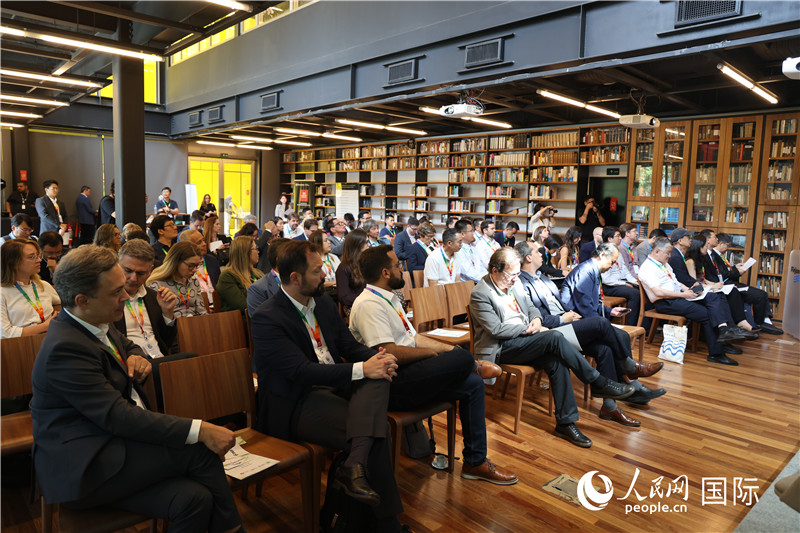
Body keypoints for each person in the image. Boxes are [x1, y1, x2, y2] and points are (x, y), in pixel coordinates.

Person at [30, 245, 244, 532]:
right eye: (116, 292)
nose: (126, 296)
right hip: (84, 467)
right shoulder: (65, 348)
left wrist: (136, 355)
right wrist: (201, 429)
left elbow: (126, 344)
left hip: (112, 443)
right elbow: (117, 416)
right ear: (82, 300)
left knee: (194, 499)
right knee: (199, 451)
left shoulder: (93, 320)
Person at [250, 241, 407, 532]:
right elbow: (301, 372)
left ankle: (354, 469)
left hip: (334, 388)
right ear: (295, 278)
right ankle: (388, 524)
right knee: (376, 432)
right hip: (297, 401)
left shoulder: (321, 302)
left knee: (377, 378)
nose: (325, 275)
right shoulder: (267, 317)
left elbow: (348, 345)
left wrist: (379, 358)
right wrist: (363, 369)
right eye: (317, 270)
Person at [350, 245, 518, 485]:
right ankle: (472, 364)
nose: (402, 269)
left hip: (411, 374)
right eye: (397, 266)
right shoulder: (369, 304)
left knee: (472, 383)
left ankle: (475, 462)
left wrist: (447, 351)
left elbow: (414, 338)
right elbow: (388, 352)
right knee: (462, 358)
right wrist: (432, 354)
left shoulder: (388, 298)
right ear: (385, 273)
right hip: (392, 384)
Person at [469, 248, 634, 448]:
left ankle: (565, 423)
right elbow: (496, 329)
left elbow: (531, 308)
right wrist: (529, 329)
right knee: (554, 337)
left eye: (517, 274)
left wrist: (537, 321)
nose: (515, 279)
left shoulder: (515, 283)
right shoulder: (480, 293)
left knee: (556, 361)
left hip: (526, 339)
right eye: (511, 275)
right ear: (495, 271)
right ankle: (597, 381)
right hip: (502, 347)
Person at [516, 241, 665, 421]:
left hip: (569, 322)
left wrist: (574, 315)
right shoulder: (520, 283)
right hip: (553, 331)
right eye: (537, 251)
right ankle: (630, 370)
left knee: (606, 349)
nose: (542, 253)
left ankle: (609, 407)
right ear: (528, 258)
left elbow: (565, 305)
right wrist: (564, 318)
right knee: (602, 324)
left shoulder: (543, 278)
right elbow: (536, 320)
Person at [638, 237, 747, 366]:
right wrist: (683, 294)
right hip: (666, 302)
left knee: (714, 296)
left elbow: (676, 282)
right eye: (668, 253)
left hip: (679, 296)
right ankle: (716, 353)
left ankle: (725, 330)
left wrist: (689, 290)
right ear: (657, 251)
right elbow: (659, 292)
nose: (669, 256)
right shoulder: (647, 268)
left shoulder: (664, 264)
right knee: (708, 314)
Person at [703, 231, 782, 335]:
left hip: (729, 283)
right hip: (726, 284)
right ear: (720, 244)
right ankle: (761, 323)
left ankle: (764, 321)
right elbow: (722, 274)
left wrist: (735, 268)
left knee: (761, 294)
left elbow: (724, 272)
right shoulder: (711, 255)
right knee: (760, 295)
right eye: (727, 245)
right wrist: (737, 271)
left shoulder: (718, 256)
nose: (728, 248)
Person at [113, 239, 178, 358]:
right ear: (117, 264)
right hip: (130, 361)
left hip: (158, 358)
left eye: (140, 273)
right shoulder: (107, 299)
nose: (133, 278)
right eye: (128, 270)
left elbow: (166, 343)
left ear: (150, 271)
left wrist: (167, 314)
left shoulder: (154, 297)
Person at [560, 242, 634, 322]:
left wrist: (610, 311)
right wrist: (601, 323)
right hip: (574, 319)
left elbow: (593, 304)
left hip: (583, 316)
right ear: (602, 255)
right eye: (612, 262)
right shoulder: (585, 272)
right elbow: (585, 306)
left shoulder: (593, 270)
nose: (612, 266)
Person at [1, 239, 60, 338]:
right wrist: (45, 326)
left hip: (50, 339)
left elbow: (65, 303)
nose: (39, 260)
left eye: (38, 255)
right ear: (13, 263)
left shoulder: (43, 285)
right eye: (31, 257)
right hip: (19, 345)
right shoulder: (2, 292)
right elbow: (5, 333)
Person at [147, 241, 209, 318]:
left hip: (195, 323)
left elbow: (201, 311)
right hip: (172, 324)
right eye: (191, 265)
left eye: (197, 265)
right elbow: (156, 318)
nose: (194, 270)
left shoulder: (193, 280)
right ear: (176, 262)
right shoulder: (157, 285)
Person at [598, 226, 641, 326]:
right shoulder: (603, 253)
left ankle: (643, 325)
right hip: (608, 286)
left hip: (620, 282)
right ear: (610, 239)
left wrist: (634, 282)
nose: (620, 238)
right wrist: (624, 283)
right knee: (635, 294)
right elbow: (606, 279)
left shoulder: (617, 251)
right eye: (618, 236)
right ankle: (630, 326)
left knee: (641, 289)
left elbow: (625, 270)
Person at [216, 236, 264, 313]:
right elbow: (243, 305)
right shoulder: (227, 276)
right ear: (245, 253)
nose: (258, 252)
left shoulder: (258, 273)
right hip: (241, 319)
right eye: (255, 248)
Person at [247, 237, 290, 316]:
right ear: (279, 260)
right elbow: (260, 321)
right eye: (294, 256)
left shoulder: (301, 283)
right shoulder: (258, 289)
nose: (299, 260)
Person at [179, 229, 219, 299]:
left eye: (203, 240)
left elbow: (218, 285)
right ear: (188, 247)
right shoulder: (182, 266)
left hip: (215, 301)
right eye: (199, 242)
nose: (204, 244)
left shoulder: (211, 260)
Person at [336, 229, 369, 313]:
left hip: (368, 302)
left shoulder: (366, 263)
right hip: (354, 306)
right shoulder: (343, 268)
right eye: (366, 242)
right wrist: (366, 298)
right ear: (358, 245)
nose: (369, 245)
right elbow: (344, 297)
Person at [454, 218, 484, 282]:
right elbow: (468, 272)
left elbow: (481, 267)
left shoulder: (473, 247)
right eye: (471, 231)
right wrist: (485, 280)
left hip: (479, 281)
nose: (473, 233)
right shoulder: (458, 250)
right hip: (467, 284)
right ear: (462, 234)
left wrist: (489, 277)